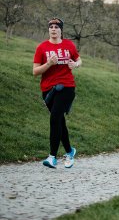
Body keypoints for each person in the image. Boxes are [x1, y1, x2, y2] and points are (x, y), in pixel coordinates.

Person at [33, 18, 82, 169]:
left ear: (61, 30)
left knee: (55, 118)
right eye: (51, 27)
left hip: (66, 87)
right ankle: (69, 151)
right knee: (59, 121)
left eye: (56, 27)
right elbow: (35, 72)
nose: (53, 29)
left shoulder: (69, 45)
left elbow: (79, 60)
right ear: (49, 30)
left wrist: (75, 64)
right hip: (48, 90)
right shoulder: (42, 48)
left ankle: (52, 157)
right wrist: (48, 64)